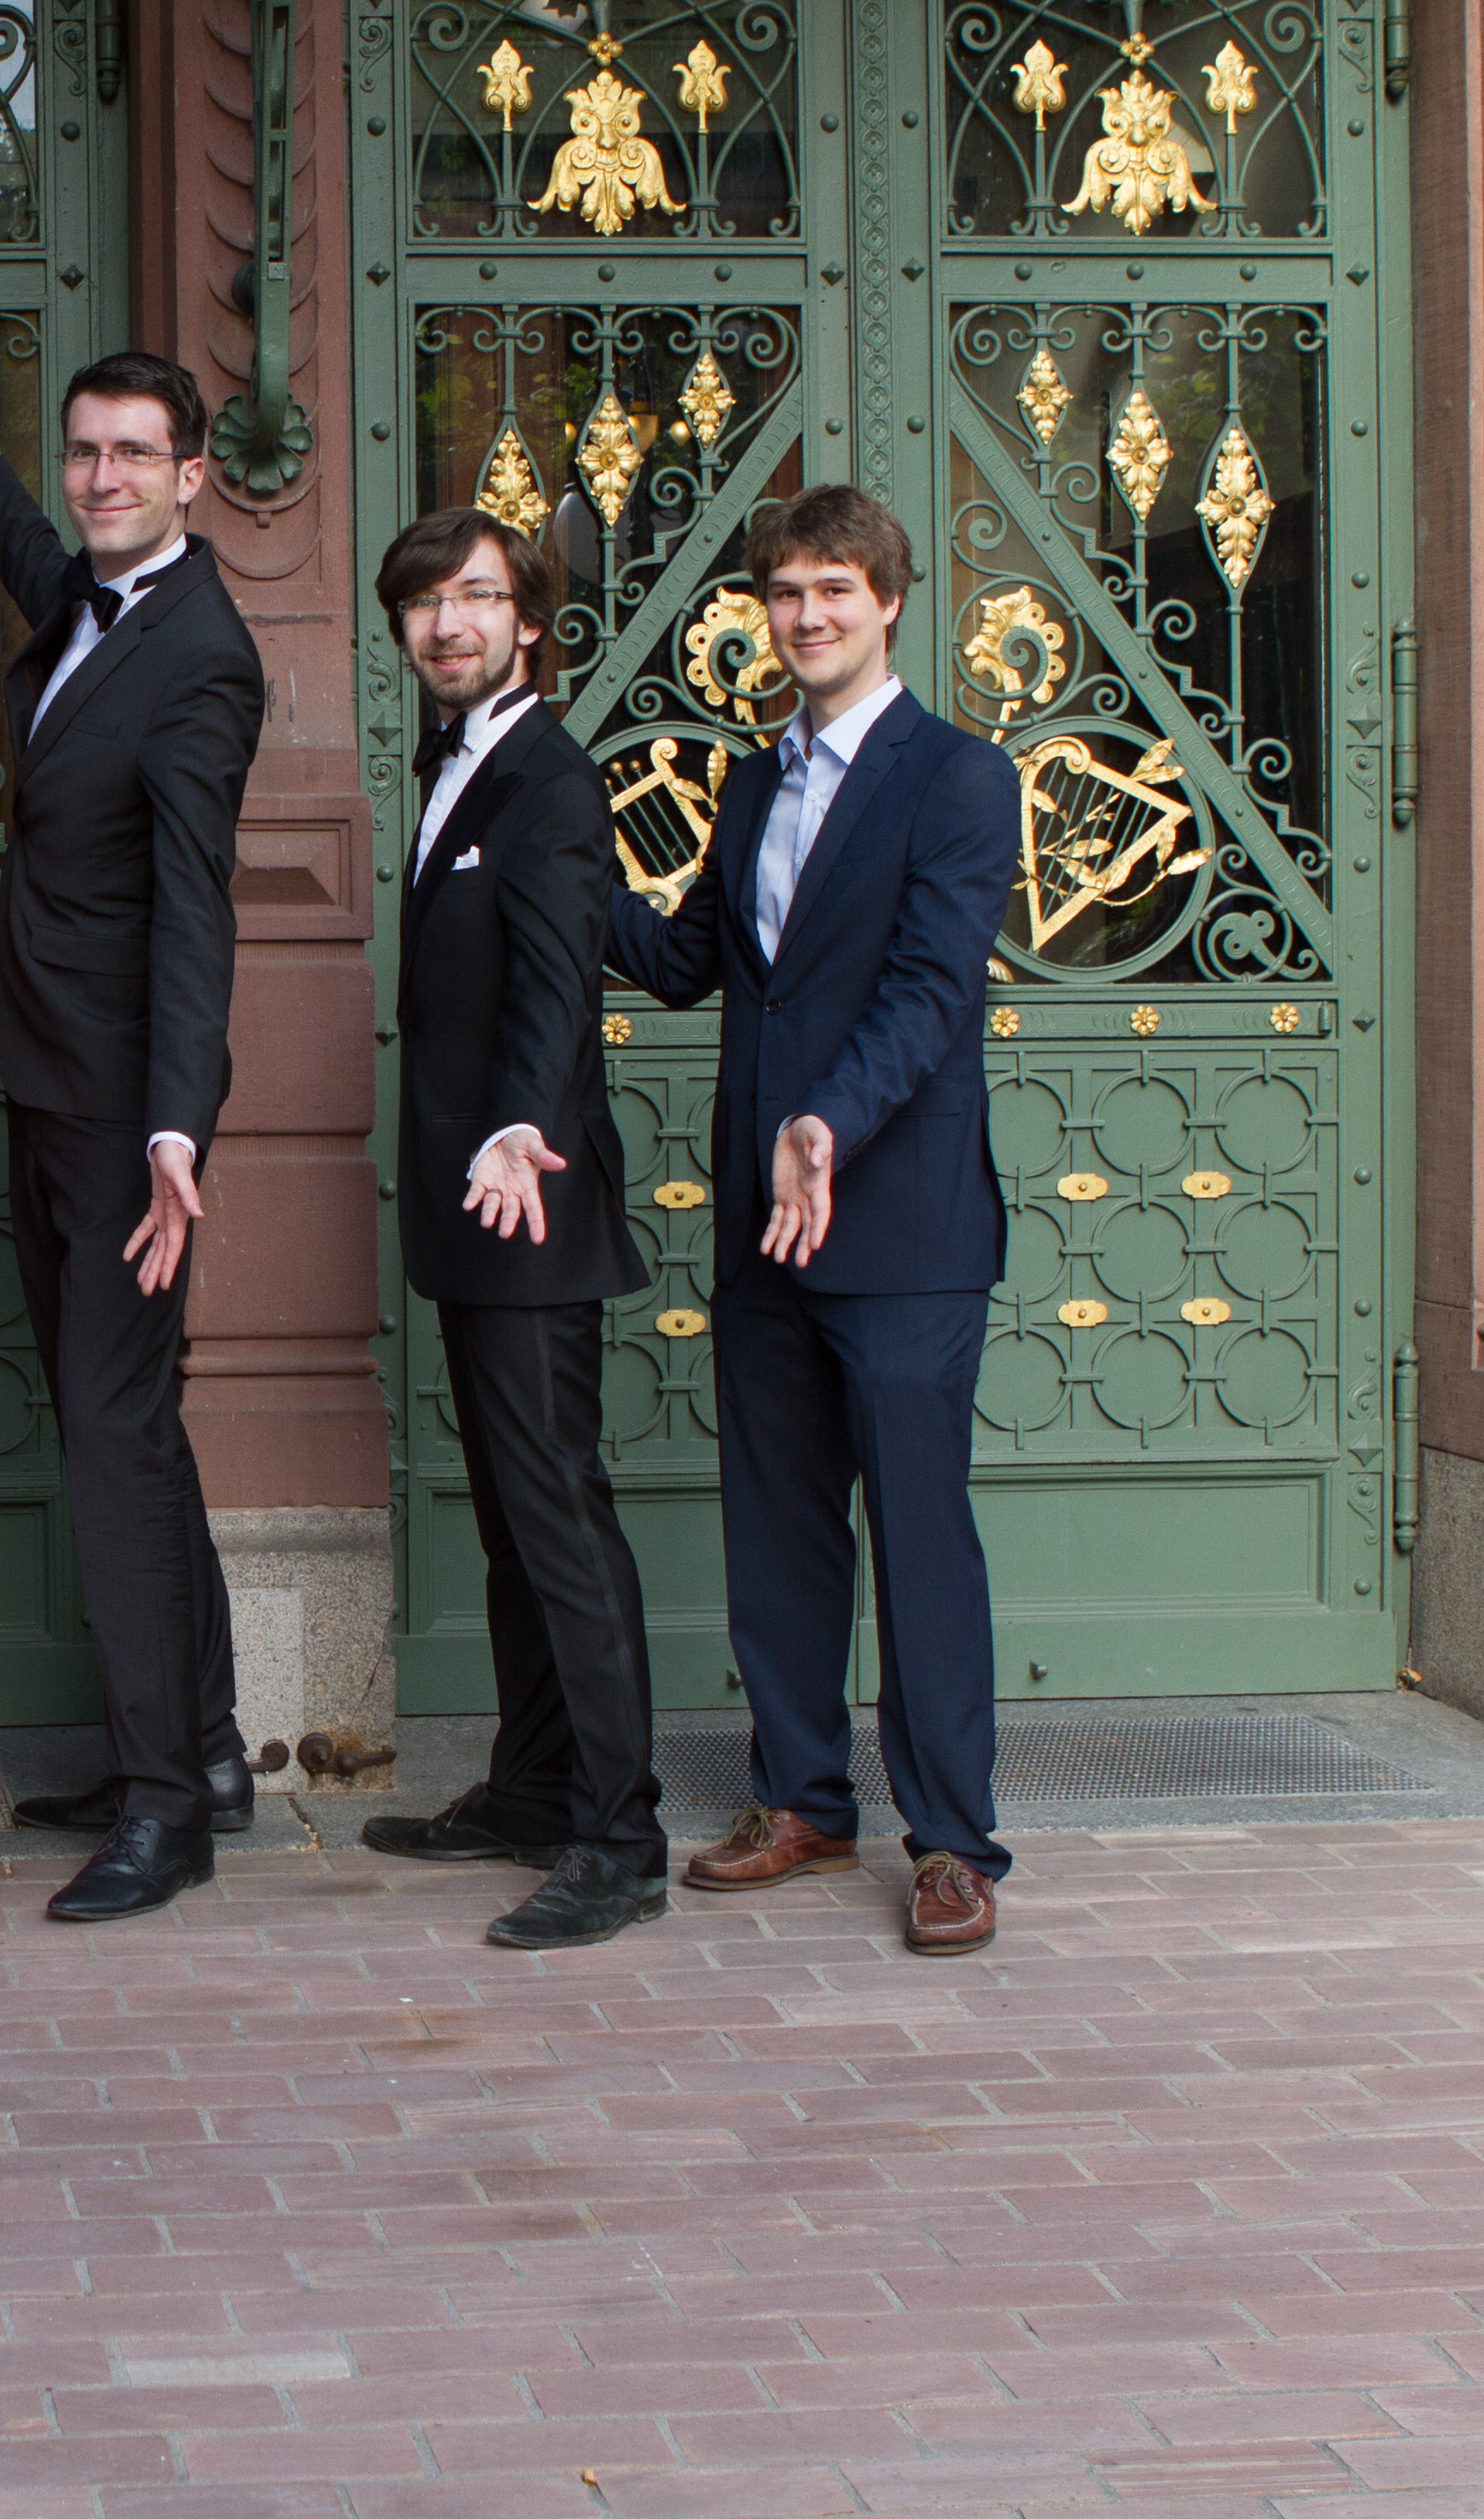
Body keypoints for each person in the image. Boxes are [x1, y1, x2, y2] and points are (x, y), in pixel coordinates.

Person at [602, 487, 1022, 1956]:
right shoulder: (747, 784)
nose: (808, 616)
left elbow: (930, 990)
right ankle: (801, 1800)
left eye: (835, 588)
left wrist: (827, 1123)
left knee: (919, 1542)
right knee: (778, 1534)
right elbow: (687, 962)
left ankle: (953, 1842)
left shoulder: (960, 777)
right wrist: (555, 849)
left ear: (889, 601)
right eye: (785, 592)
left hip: (900, 1226)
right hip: (765, 1231)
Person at [0, 348, 263, 1924]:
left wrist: (178, 1125)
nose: (104, 477)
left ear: (192, 478)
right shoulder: (103, 606)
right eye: (86, 450)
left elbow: (195, 908)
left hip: (121, 1114)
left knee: (111, 1438)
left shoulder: (205, 658)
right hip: (46, 1081)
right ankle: (204, 1748)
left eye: (135, 456)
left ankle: (165, 1812)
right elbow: (54, 570)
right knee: (129, 1427)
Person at [353, 506, 662, 1950]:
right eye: (425, 602)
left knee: (560, 1520)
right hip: (473, 1204)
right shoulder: (458, 762)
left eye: (478, 596)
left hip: (527, 1191)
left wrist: (520, 1125)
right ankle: (536, 1788)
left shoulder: (547, 774)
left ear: (529, 619)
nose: (449, 623)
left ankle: (621, 1834)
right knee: (511, 1524)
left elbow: (555, 983)